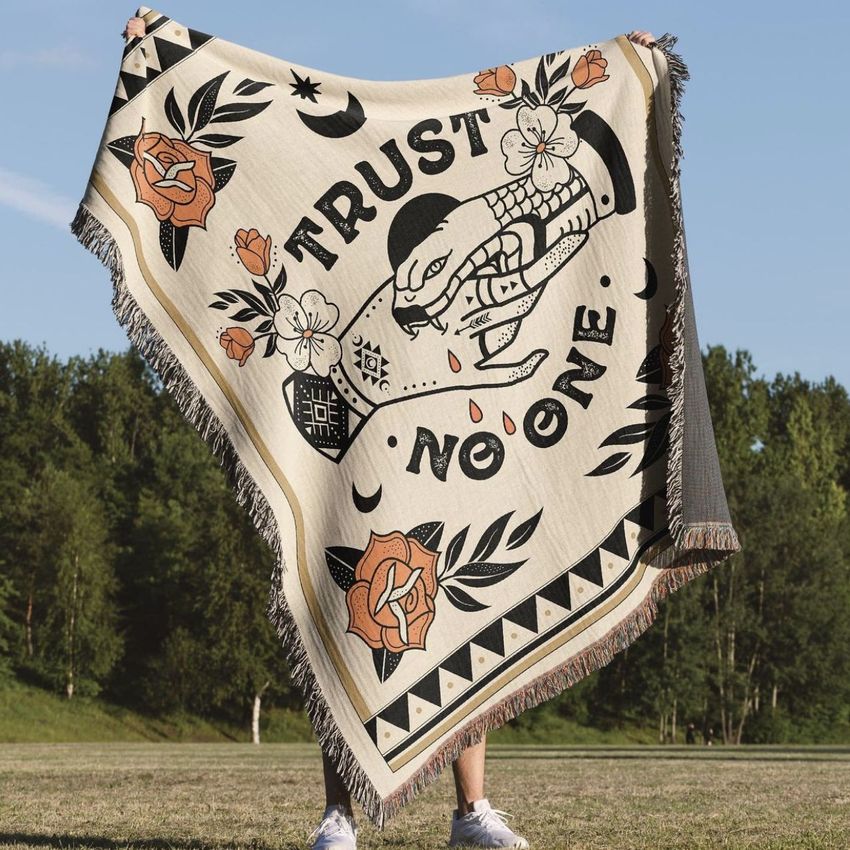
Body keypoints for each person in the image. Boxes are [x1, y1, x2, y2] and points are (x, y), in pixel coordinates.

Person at [121, 15, 657, 849]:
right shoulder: (400, 292)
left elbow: (497, 331)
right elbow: (271, 166)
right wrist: (165, 60)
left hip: (431, 439)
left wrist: (624, 73)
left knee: (453, 615)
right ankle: (340, 812)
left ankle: (472, 811)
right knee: (350, 612)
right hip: (364, 449)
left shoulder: (463, 282)